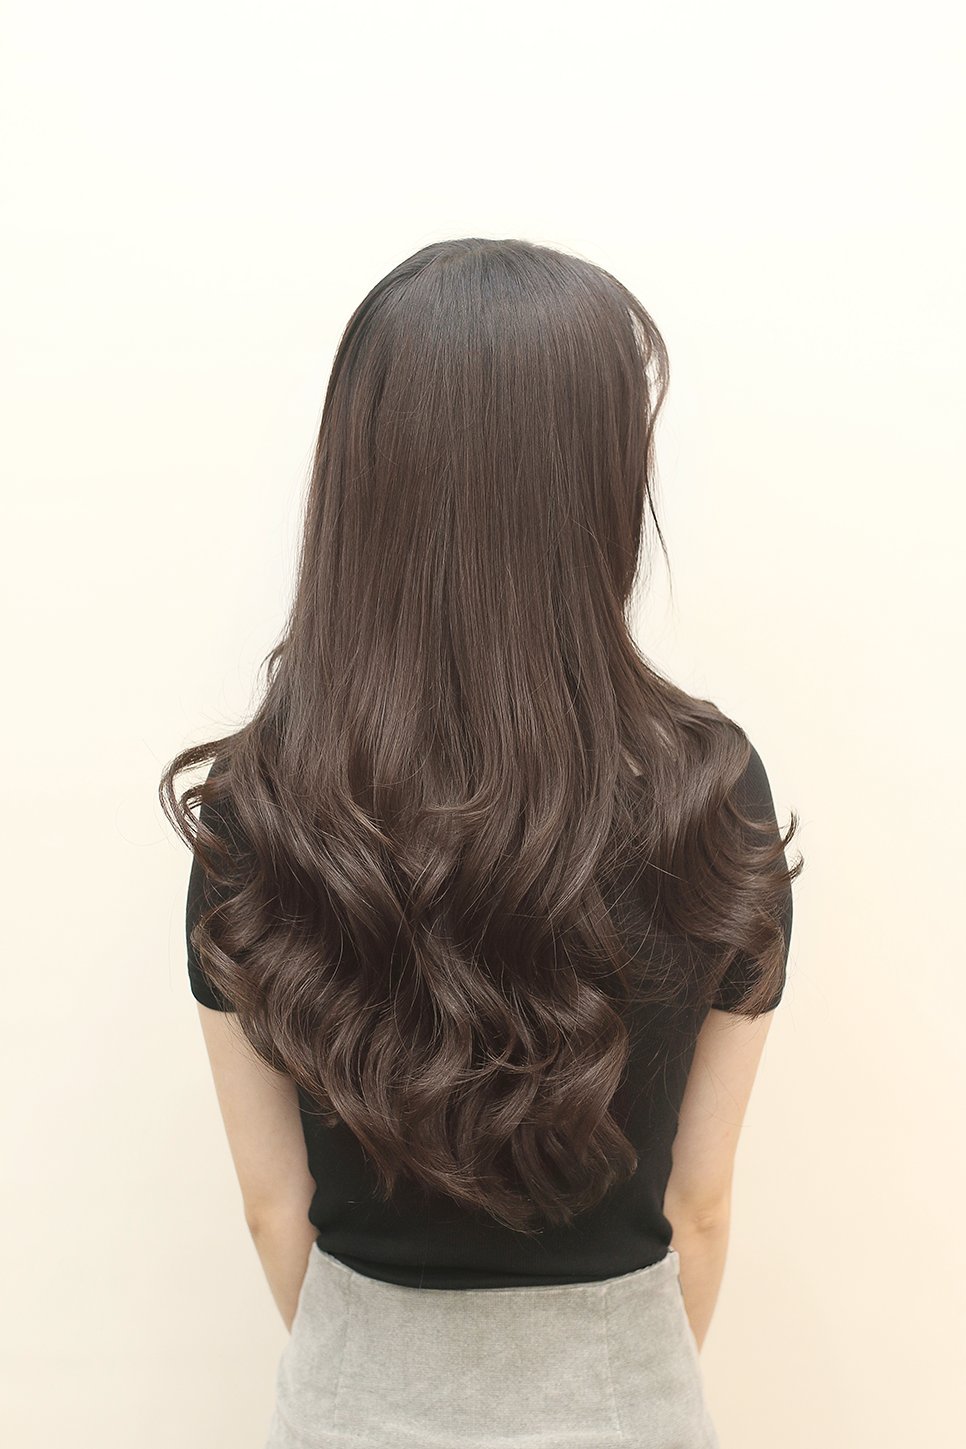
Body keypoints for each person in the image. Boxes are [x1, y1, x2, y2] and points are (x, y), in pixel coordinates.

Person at [160, 237, 799, 1449]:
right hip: (623, 1407)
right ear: (595, 485)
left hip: (352, 1410)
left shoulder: (259, 810)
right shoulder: (712, 793)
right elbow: (699, 1208)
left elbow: (273, 1208)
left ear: (363, 481)